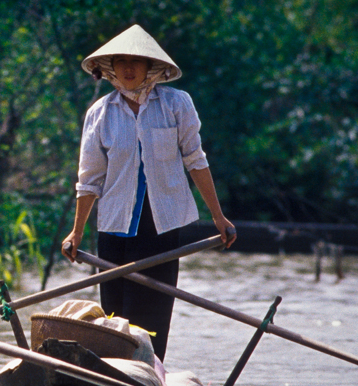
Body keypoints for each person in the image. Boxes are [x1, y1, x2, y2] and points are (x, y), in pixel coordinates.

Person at [59, 24, 235, 361]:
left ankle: (148, 376)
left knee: (152, 318)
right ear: (111, 68)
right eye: (121, 62)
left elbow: (195, 160)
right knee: (114, 319)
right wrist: (77, 231)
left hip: (160, 228)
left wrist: (218, 216)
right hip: (113, 227)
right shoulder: (101, 112)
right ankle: (114, 376)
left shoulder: (176, 104)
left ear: (150, 67)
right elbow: (89, 179)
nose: (128, 69)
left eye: (135, 62)